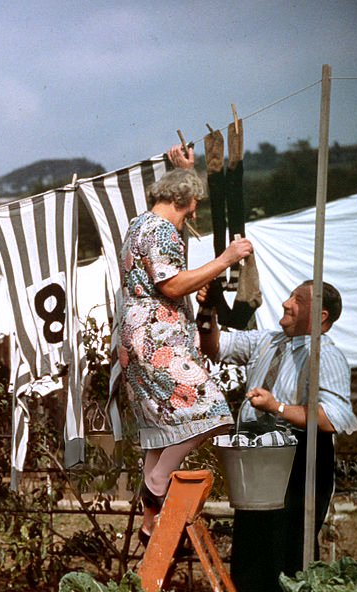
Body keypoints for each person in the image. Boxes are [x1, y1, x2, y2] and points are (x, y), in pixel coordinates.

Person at [116, 145, 254, 543]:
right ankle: (157, 484)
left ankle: (150, 519)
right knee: (210, 409)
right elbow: (171, 283)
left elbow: (171, 268)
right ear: (178, 199)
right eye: (191, 204)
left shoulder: (138, 224)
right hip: (155, 335)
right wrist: (226, 258)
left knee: (161, 424)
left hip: (135, 334)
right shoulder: (160, 230)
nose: (193, 213)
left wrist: (185, 171)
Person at [197, 280, 357, 592]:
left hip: (300, 460)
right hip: (258, 458)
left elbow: (334, 418)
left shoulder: (325, 358)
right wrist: (208, 311)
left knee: (284, 547)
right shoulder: (266, 341)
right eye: (290, 295)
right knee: (250, 545)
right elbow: (213, 346)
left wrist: (278, 408)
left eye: (297, 300)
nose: (286, 303)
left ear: (319, 315)